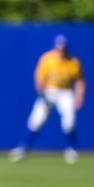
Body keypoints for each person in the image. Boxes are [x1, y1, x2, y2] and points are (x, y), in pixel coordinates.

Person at [9, 34, 86, 164]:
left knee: (69, 121)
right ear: (55, 46)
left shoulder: (73, 62)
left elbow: (80, 81)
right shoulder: (47, 59)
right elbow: (39, 77)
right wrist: (42, 92)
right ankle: (23, 148)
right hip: (49, 91)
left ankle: (71, 150)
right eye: (59, 47)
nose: (61, 50)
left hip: (65, 92)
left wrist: (80, 95)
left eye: (63, 47)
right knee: (37, 120)